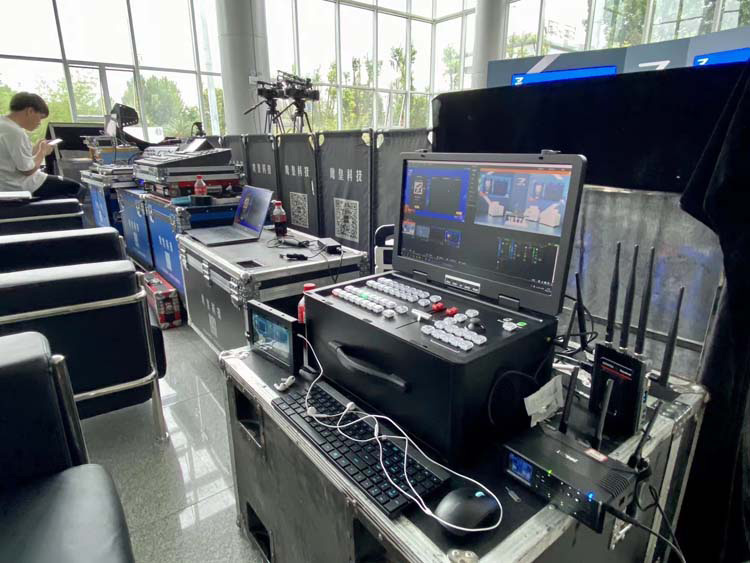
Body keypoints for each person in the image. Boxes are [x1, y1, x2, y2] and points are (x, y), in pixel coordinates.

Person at [0, 92, 81, 198]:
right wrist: (42, 152)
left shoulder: (4, 124)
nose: (40, 122)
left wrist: (35, 149)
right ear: (30, 111)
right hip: (20, 185)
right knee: (77, 188)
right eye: (40, 117)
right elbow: (27, 170)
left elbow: (12, 158)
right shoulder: (15, 132)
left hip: (5, 184)